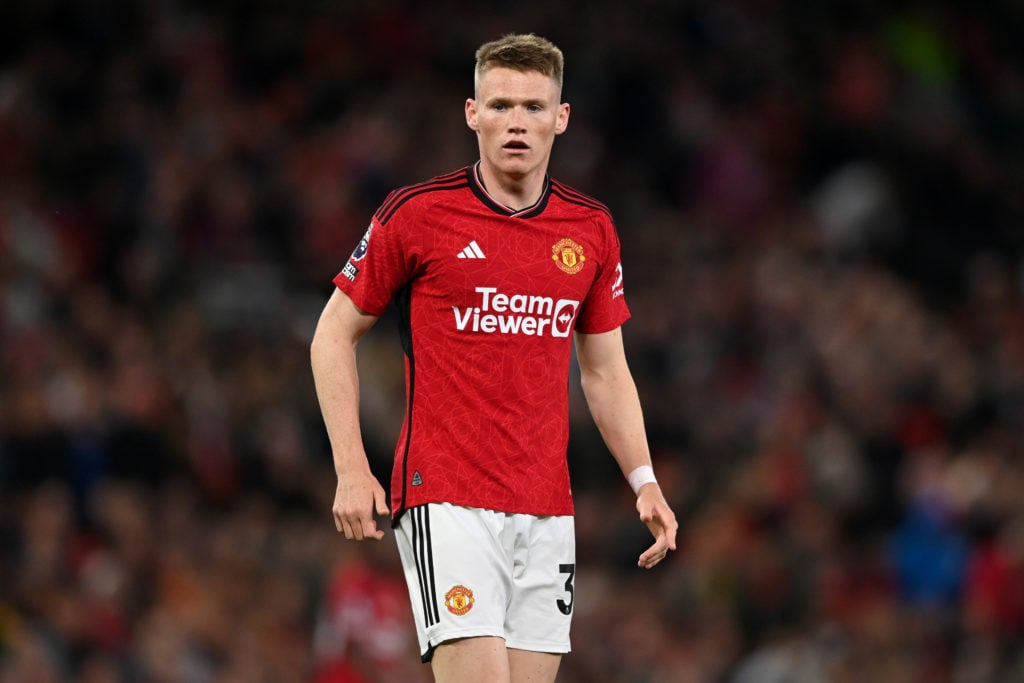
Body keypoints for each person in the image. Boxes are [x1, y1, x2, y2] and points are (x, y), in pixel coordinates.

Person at [310, 32, 678, 683]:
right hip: (445, 495)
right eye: (501, 104)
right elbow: (332, 334)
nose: (517, 122)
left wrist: (643, 477)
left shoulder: (590, 230)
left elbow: (604, 369)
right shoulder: (417, 215)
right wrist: (350, 467)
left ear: (561, 118)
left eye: (534, 107)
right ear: (472, 113)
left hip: (546, 504)